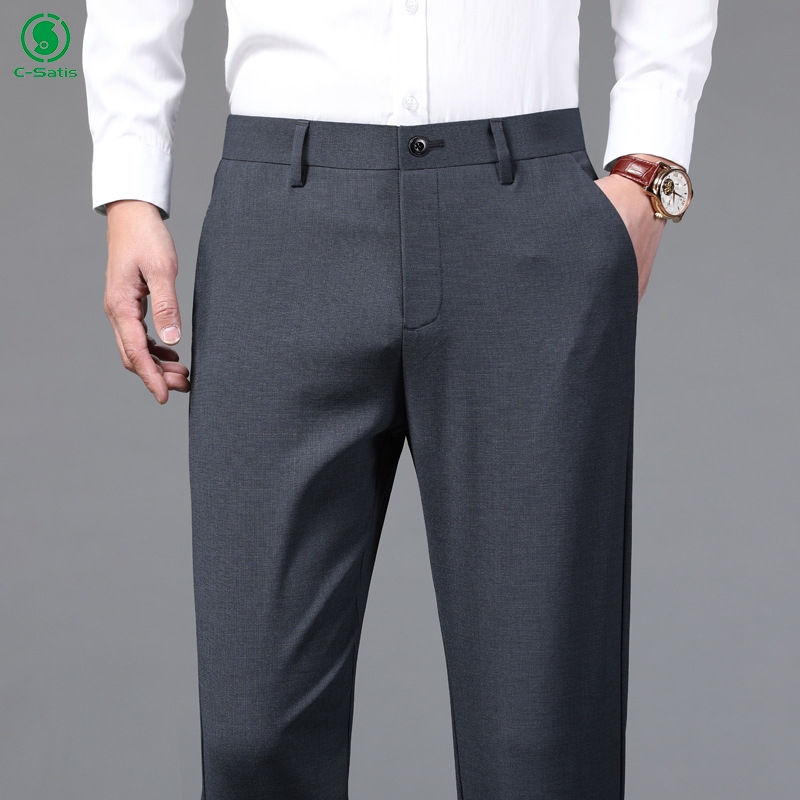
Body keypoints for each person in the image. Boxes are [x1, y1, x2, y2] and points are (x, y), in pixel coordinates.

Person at [82, 2, 718, 798]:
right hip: (281, 221)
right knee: (254, 736)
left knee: (543, 737)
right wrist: (130, 189)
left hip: (528, 217)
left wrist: (649, 170)